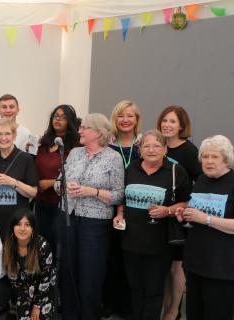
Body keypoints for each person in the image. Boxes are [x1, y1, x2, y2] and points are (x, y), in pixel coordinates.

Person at [175, 135, 234, 320]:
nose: (209, 161)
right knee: (194, 314)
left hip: (222, 268)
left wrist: (205, 218)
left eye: (215, 157)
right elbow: (195, 217)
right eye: (205, 157)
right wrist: (184, 216)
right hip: (195, 264)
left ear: (226, 159)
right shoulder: (202, 181)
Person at [112, 130, 192, 320]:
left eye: (156, 145)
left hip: (159, 245)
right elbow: (122, 197)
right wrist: (119, 214)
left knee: (154, 291)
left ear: (165, 149)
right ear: (140, 149)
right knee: (135, 289)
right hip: (130, 241)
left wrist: (167, 211)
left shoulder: (175, 171)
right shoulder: (131, 168)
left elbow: (187, 202)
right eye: (146, 145)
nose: (151, 149)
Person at [56, 113, 125, 320]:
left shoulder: (113, 158)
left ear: (97, 132)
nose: (79, 131)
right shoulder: (74, 153)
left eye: (84, 127)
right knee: (68, 272)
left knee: (90, 276)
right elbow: (58, 182)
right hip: (68, 218)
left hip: (95, 224)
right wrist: (64, 186)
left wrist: (91, 191)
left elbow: (119, 194)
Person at [156, 105, 201, 320]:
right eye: (165, 120)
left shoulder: (190, 151)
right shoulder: (157, 146)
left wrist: (185, 208)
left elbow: (200, 183)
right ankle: (164, 308)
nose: (167, 125)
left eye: (172, 121)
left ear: (182, 125)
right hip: (159, 217)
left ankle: (173, 311)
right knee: (162, 268)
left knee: (176, 267)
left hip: (179, 217)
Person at [103, 99, 142, 319]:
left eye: (130, 116)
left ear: (137, 120)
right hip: (110, 208)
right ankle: (110, 302)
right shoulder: (108, 144)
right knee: (111, 256)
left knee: (132, 259)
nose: (125, 120)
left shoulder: (144, 145)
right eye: (121, 116)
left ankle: (129, 306)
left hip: (136, 212)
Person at [0, 119, 38, 240]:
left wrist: (12, 182)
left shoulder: (25, 158)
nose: (3, 138)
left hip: (17, 222)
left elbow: (33, 192)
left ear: (14, 136)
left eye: (7, 134)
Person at [34, 104, 80, 255]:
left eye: (63, 117)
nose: (58, 120)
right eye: (56, 116)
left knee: (58, 244)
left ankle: (58, 277)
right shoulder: (45, 141)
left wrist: (50, 182)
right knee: (42, 242)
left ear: (70, 121)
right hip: (41, 201)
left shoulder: (75, 145)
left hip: (61, 203)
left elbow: (75, 176)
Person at [3, 208, 55, 320]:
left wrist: (37, 306)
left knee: (39, 316)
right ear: (13, 227)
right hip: (21, 292)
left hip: (43, 291)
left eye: (27, 224)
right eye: (18, 224)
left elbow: (47, 279)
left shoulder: (42, 246)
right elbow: (13, 280)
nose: (22, 229)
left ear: (33, 228)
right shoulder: (8, 245)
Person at [0, 94, 38, 169]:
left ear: (18, 110)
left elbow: (28, 165)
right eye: (4, 107)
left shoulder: (26, 133)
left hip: (17, 177)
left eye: (11, 107)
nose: (8, 110)